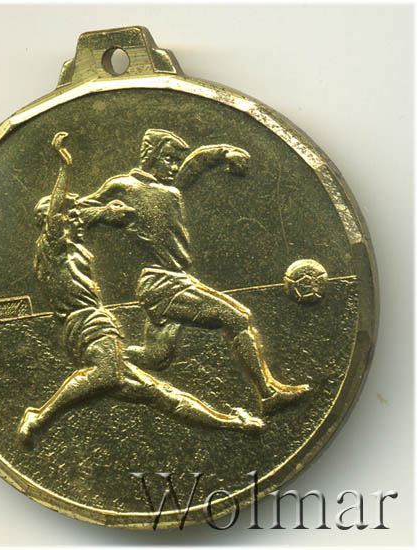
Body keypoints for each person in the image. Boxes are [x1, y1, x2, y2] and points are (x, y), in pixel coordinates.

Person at [17, 132, 264, 449]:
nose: (78, 217)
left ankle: (235, 424)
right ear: (54, 219)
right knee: (106, 375)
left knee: (162, 395)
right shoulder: (54, 244)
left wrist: (105, 214)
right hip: (88, 323)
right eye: (70, 213)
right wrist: (65, 165)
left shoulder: (67, 247)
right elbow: (59, 212)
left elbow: (83, 212)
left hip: (86, 328)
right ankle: (39, 417)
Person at [77, 129, 310, 414]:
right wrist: (104, 213)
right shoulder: (123, 186)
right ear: (150, 156)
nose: (174, 167)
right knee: (238, 318)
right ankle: (268, 394)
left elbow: (194, 164)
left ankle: (104, 363)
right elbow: (75, 212)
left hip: (174, 280)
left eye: (176, 161)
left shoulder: (169, 188)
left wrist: (224, 153)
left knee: (155, 357)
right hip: (163, 283)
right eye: (168, 159)